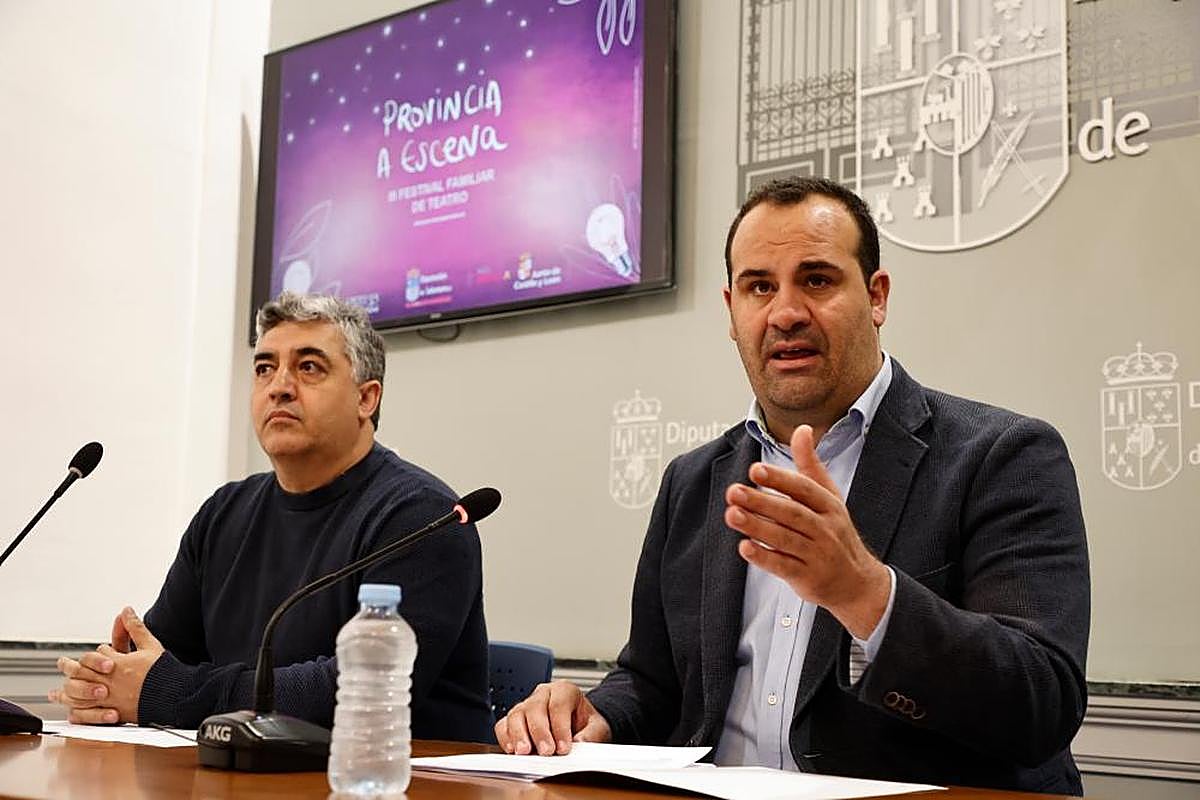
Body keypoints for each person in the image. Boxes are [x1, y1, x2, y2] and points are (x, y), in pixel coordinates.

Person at [495, 177, 1090, 794]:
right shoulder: (693, 481)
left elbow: (1042, 703)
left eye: (817, 280)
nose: (784, 313)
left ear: (876, 296)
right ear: (732, 312)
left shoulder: (1003, 455)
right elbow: (654, 682)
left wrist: (866, 594)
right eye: (759, 287)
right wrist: (598, 716)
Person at [50, 293, 493, 741]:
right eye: (264, 368)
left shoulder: (422, 518)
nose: (279, 386)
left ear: (366, 398)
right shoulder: (223, 514)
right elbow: (159, 661)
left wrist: (166, 692)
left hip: (403, 781)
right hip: (243, 774)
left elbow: (364, 689)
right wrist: (108, 681)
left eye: (309, 367)